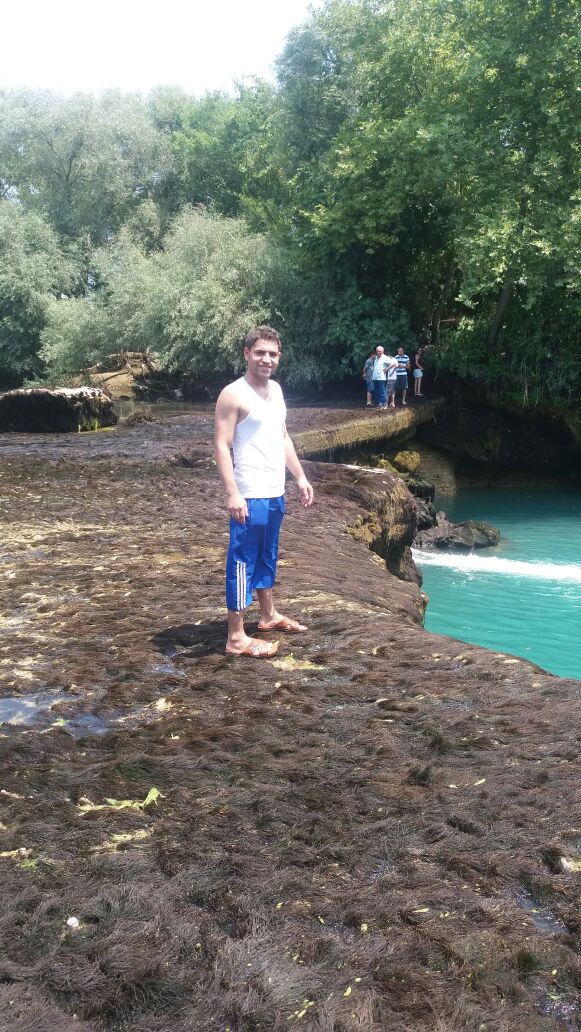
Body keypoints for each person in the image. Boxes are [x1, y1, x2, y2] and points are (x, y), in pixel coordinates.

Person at [214, 326, 314, 658]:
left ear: (278, 357)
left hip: (274, 492)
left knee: (267, 555)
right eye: (259, 352)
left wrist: (300, 476)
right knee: (242, 560)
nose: (266, 359)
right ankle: (236, 636)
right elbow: (222, 445)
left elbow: (282, 436)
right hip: (249, 493)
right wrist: (233, 493)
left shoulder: (277, 391)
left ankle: (268, 615)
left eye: (272, 354)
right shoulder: (233, 394)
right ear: (247, 354)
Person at [371, 346, 398, 411]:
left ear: (382, 351)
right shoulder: (376, 358)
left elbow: (393, 363)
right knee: (376, 392)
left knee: (382, 391)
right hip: (375, 378)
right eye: (377, 351)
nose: (378, 352)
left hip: (381, 378)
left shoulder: (385, 357)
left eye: (379, 351)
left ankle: (385, 404)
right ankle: (379, 404)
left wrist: (387, 369)